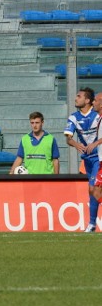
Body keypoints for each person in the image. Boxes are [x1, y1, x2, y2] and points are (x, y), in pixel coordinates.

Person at [65, 87, 100, 232]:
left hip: (99, 158)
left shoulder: (98, 115)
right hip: (87, 160)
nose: (75, 98)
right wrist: (75, 144)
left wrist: (97, 143)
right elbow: (68, 138)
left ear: (87, 100)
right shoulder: (73, 117)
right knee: (93, 190)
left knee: (93, 188)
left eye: (79, 96)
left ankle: (91, 224)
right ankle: (91, 224)